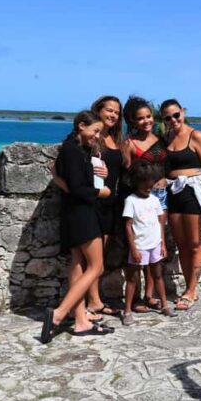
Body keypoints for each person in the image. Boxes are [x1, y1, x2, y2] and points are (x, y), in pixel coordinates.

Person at [41, 111, 115, 343]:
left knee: (79, 264)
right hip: (82, 214)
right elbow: (78, 188)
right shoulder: (73, 151)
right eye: (94, 131)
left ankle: (81, 320)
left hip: (73, 213)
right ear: (81, 126)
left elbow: (67, 182)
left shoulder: (74, 149)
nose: (97, 136)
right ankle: (59, 313)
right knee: (97, 266)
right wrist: (102, 192)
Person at [52, 96, 124, 319]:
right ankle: (77, 308)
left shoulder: (115, 139)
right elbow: (69, 173)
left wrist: (106, 175)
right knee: (90, 263)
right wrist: (61, 181)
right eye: (109, 110)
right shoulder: (85, 140)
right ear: (97, 112)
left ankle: (86, 307)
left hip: (104, 204)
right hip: (88, 203)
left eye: (116, 112)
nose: (113, 115)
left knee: (91, 261)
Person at [162, 99, 201, 310]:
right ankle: (188, 287)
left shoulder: (196, 136)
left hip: (193, 192)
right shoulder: (166, 139)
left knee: (194, 243)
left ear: (183, 112)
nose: (173, 120)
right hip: (173, 192)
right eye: (168, 117)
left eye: (176, 115)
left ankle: (192, 290)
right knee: (181, 244)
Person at [121, 96, 170, 311]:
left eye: (148, 116)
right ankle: (138, 298)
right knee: (139, 249)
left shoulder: (160, 139)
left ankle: (149, 296)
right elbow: (128, 175)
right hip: (142, 198)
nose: (146, 121)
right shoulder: (129, 144)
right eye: (140, 119)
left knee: (154, 245)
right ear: (132, 121)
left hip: (162, 196)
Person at [121, 159, 175, 325]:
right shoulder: (131, 201)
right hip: (139, 246)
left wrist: (162, 244)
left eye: (150, 184)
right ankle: (127, 310)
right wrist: (134, 248)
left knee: (157, 275)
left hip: (154, 245)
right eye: (144, 184)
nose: (148, 187)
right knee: (132, 278)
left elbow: (160, 223)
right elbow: (128, 226)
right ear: (136, 182)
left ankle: (165, 305)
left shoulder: (154, 200)